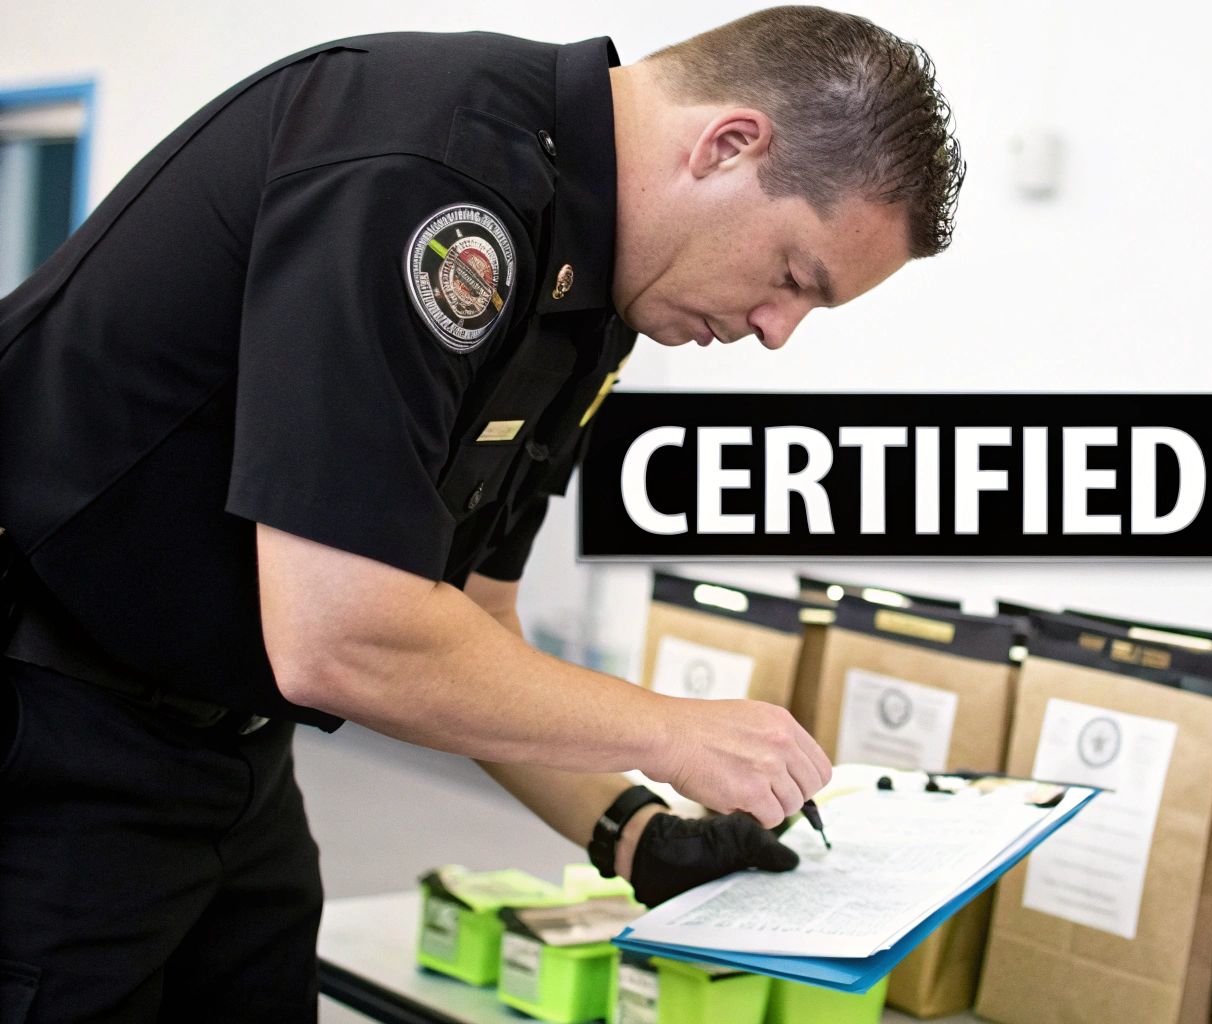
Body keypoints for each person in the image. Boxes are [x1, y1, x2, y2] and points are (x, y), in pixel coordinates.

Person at [0, 6, 963, 1020]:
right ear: (727, 145)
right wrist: (671, 730)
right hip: (51, 722)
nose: (776, 332)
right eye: (791, 277)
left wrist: (634, 831)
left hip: (228, 746)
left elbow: (466, 620)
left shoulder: (598, 298)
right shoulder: (426, 170)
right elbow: (341, 635)